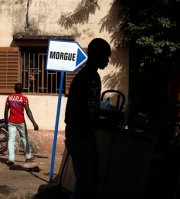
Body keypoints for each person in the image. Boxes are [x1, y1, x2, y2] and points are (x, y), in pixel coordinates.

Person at [64, 38, 111, 199]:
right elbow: (75, 113)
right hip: (78, 135)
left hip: (87, 135)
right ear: (96, 55)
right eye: (105, 56)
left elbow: (92, 108)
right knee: (85, 180)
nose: (108, 60)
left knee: (92, 179)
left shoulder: (95, 78)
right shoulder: (82, 78)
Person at [4, 83, 39, 166]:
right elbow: (28, 111)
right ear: (22, 89)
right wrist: (34, 123)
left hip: (11, 121)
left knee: (11, 140)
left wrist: (6, 122)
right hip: (20, 122)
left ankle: (11, 159)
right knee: (24, 139)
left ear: (14, 89)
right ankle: (28, 157)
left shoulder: (9, 97)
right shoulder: (24, 98)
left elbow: (6, 111)